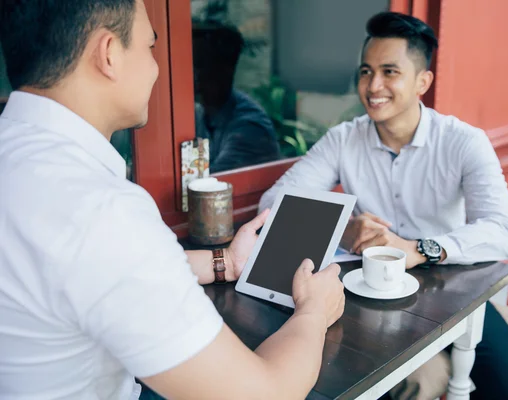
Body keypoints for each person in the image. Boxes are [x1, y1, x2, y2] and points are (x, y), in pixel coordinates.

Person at [0, 1, 344, 399]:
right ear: (109, 54)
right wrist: (314, 311)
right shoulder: (100, 208)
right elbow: (264, 393)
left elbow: (86, 267)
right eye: (150, 47)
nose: (157, 67)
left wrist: (226, 262)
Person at [259, 11, 508, 400]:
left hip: (450, 288)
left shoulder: (463, 141)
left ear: (422, 81)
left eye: (390, 71)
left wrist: (417, 249)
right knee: (362, 383)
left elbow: (501, 232)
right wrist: (342, 228)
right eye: (365, 71)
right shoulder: (344, 138)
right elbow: (274, 202)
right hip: (369, 292)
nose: (373, 86)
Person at [192, 21, 281, 173]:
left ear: (226, 69)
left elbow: (212, 187)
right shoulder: (201, 114)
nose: (193, 74)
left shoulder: (250, 129)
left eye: (199, 65)